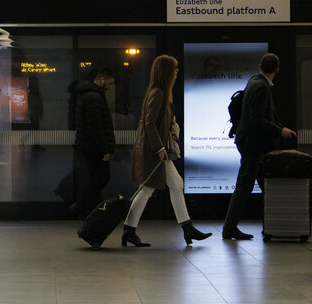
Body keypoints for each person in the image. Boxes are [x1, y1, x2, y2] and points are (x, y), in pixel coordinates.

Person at [121, 55, 211, 247]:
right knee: (164, 187)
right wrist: (160, 148)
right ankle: (187, 229)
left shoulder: (159, 92)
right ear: (166, 72)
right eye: (174, 68)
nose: (177, 71)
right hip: (155, 152)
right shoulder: (159, 93)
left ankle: (130, 230)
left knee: (151, 189)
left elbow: (152, 121)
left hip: (153, 151)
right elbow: (149, 123)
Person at [222, 52, 297, 240]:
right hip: (253, 146)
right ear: (277, 70)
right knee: (244, 187)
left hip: (250, 143)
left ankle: (273, 225)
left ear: (259, 66)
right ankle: (230, 228)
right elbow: (257, 120)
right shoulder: (262, 87)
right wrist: (280, 131)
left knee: (265, 186)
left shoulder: (253, 81)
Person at [69, 68, 117, 216]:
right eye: (109, 83)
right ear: (102, 79)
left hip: (87, 145)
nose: (110, 87)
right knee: (101, 177)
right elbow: (95, 126)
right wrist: (104, 150)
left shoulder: (87, 95)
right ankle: (86, 208)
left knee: (96, 178)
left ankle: (86, 207)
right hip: (93, 148)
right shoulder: (93, 97)